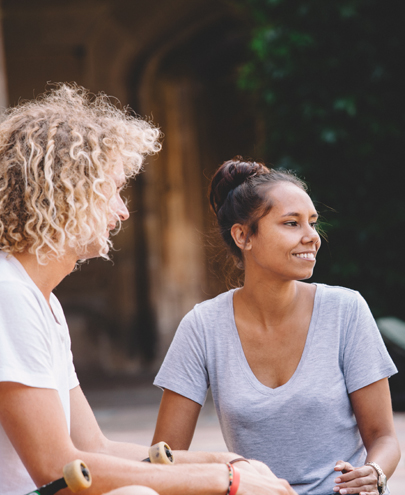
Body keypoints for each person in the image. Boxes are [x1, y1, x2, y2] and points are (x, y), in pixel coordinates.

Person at [0, 84, 296, 495]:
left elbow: (94, 447)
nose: (122, 210)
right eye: (113, 190)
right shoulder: (8, 295)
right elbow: (58, 472)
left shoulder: (41, 302)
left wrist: (222, 462)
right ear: (67, 193)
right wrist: (221, 482)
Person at [151, 157, 401, 495]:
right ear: (243, 236)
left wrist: (374, 473)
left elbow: (384, 438)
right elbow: (165, 457)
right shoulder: (203, 326)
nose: (312, 237)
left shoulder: (346, 310)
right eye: (291, 223)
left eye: (312, 223)